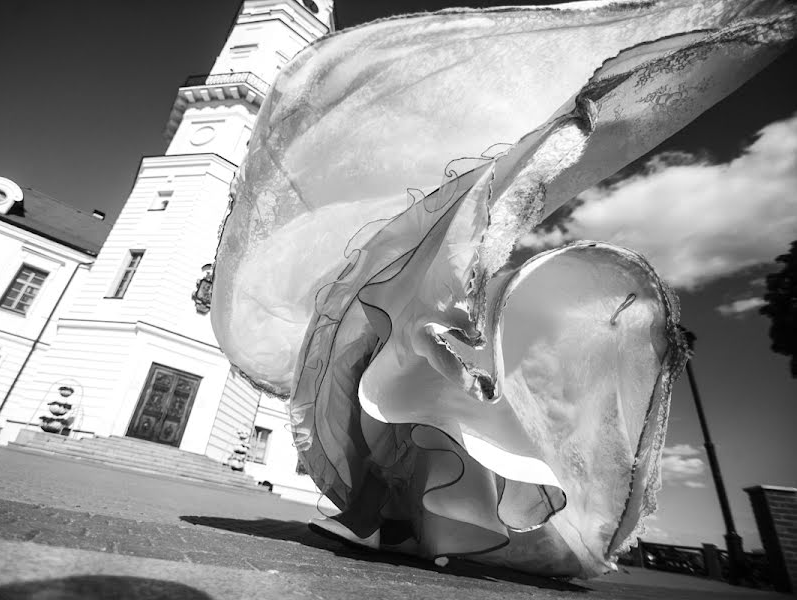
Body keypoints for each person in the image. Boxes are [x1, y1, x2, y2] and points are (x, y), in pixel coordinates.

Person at [210, 0, 796, 578]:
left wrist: (464, 364)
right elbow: (442, 300)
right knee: (416, 445)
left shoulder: (458, 247)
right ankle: (402, 530)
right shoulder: (448, 242)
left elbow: (451, 296)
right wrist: (460, 361)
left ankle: (406, 531)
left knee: (424, 443)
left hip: (436, 351)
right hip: (432, 346)